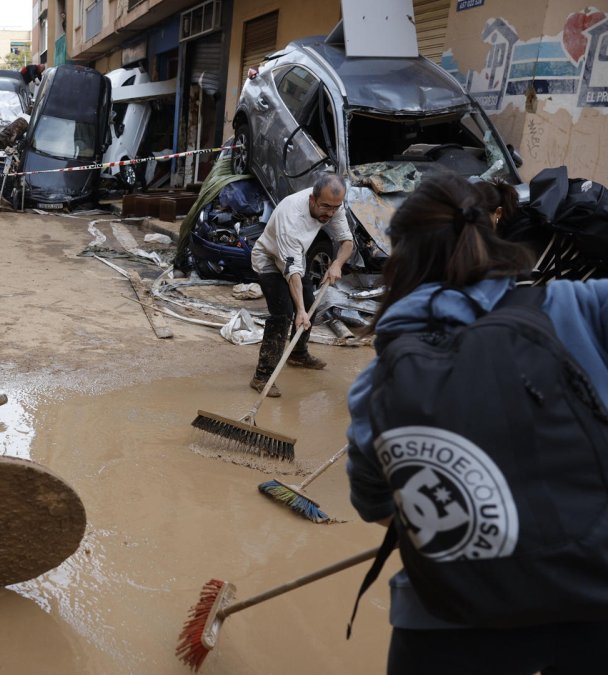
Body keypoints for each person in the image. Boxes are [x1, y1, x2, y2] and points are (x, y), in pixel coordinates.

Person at [346, 176, 608, 673]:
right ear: (493, 236)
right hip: (594, 601)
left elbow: (381, 511)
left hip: (450, 623)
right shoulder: (580, 307)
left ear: (401, 262)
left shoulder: (376, 384)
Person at [249, 174, 355, 397]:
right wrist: (299, 311)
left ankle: (298, 353)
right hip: (268, 258)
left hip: (295, 256)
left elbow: (347, 241)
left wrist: (336, 264)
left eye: (335, 208)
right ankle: (263, 376)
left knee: (310, 304)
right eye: (325, 207)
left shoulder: (333, 205)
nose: (330, 213)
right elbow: (292, 271)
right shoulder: (292, 217)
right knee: (284, 315)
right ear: (312, 200)